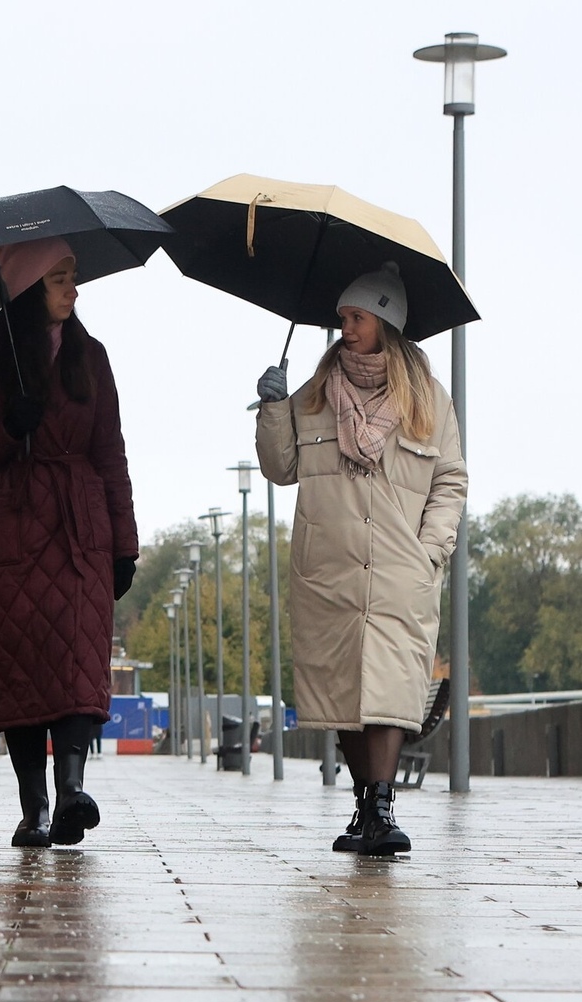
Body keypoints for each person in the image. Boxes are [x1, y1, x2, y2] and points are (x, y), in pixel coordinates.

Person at [254, 263, 467, 855]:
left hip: (402, 570)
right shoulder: (316, 393)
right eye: (342, 319)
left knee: (392, 690)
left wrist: (431, 552)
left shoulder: (429, 400)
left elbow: (450, 479)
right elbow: (281, 467)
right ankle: (363, 807)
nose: (345, 329)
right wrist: (273, 409)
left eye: (357, 319)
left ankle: (381, 808)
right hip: (330, 567)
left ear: (387, 325)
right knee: (343, 692)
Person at [0, 237, 140, 847]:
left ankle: (73, 788)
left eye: (72, 276)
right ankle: (35, 807)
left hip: (80, 526)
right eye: (58, 278)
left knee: (80, 657)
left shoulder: (91, 356)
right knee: (17, 664)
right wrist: (9, 427)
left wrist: (125, 543)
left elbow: (110, 452)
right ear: (27, 286)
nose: (72, 290)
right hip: (8, 527)